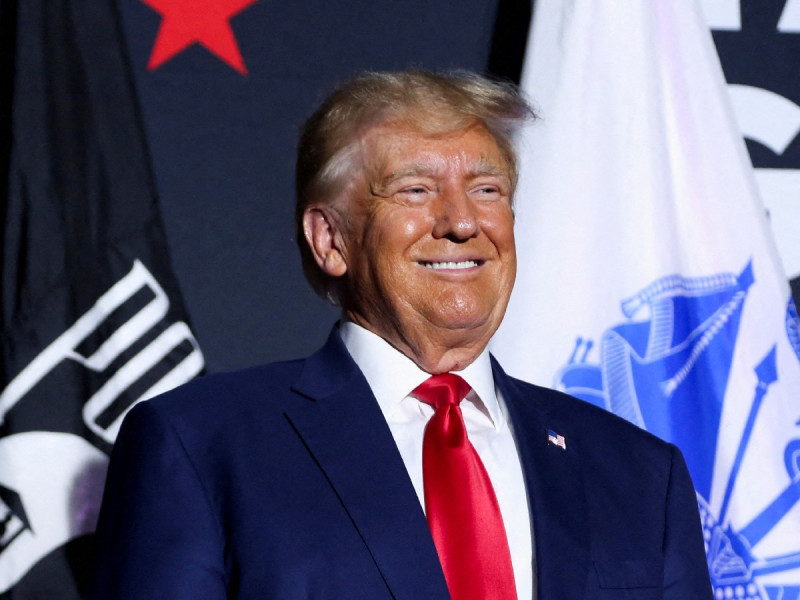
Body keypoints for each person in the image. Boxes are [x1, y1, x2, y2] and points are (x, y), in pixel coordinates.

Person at [91, 70, 713, 599]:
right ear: (331, 239)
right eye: (416, 190)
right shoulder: (200, 446)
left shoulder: (638, 472)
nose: (463, 222)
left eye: (487, 190)